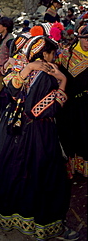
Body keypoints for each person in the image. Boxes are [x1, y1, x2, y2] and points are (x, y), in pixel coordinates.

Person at [0, 35, 79, 241]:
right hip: (38, 133)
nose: (55, 57)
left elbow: (11, 89)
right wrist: (63, 82)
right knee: (46, 176)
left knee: (18, 173)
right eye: (52, 53)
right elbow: (40, 110)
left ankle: (18, 219)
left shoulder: (17, 66)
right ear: (44, 54)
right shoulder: (46, 75)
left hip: (14, 131)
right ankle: (47, 225)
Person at [56, 24, 88, 178]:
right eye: (85, 39)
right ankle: (73, 167)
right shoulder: (66, 55)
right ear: (79, 38)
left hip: (86, 103)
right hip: (69, 104)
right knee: (69, 135)